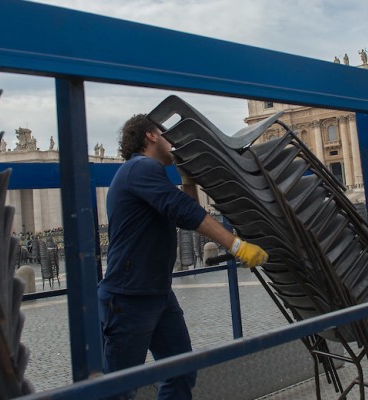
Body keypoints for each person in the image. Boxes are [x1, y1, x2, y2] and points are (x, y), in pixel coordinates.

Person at [98, 114, 269, 399]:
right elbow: (185, 212)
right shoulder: (139, 168)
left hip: (157, 293)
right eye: (166, 134)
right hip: (128, 298)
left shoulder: (147, 172)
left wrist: (187, 178)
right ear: (151, 136)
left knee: (181, 372)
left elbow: (184, 210)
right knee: (119, 390)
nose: (172, 141)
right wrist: (237, 245)